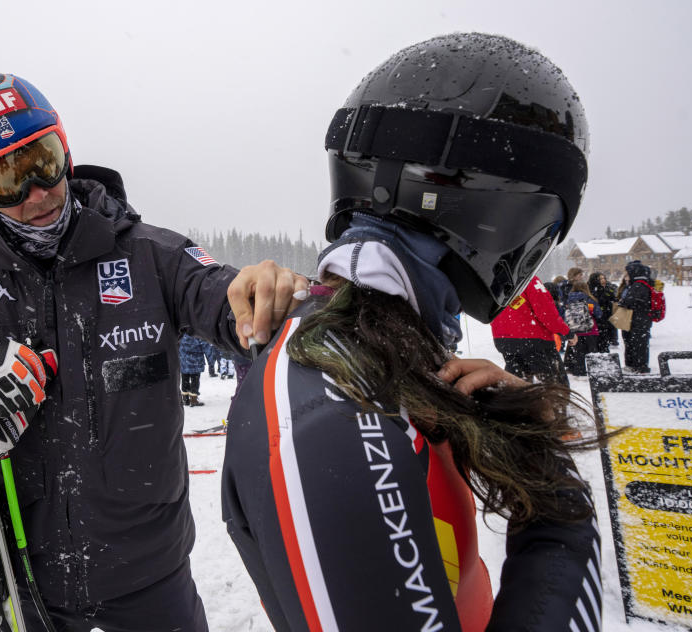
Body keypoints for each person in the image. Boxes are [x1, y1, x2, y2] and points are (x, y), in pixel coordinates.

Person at [0, 71, 306, 632]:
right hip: (19, 579)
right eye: (3, 180)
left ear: (64, 147)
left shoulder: (150, 256)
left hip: (150, 577)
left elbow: (230, 301)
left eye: (42, 161)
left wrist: (270, 299)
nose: (37, 193)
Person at [222, 33, 602, 631]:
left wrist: (510, 436)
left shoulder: (380, 350)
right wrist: (560, 516)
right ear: (502, 214)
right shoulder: (329, 406)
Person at [491, 275, 573, 386]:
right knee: (554, 385)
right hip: (534, 339)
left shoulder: (493, 282)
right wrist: (566, 332)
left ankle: (519, 401)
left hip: (505, 339)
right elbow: (546, 312)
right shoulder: (527, 279)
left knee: (517, 386)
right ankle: (556, 402)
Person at [619, 260, 656, 372]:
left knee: (637, 344)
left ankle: (639, 366)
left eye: (627, 273)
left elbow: (629, 301)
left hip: (638, 320)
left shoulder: (638, 285)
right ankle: (637, 364)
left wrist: (622, 302)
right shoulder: (644, 283)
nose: (626, 276)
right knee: (639, 343)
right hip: (642, 319)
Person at [562, 280, 601, 377]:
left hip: (575, 332)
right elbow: (598, 314)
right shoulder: (589, 300)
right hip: (590, 330)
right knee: (592, 353)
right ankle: (594, 372)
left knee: (578, 353)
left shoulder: (568, 300)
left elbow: (565, 315)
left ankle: (579, 371)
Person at [588, 271, 618, 352]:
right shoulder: (590, 290)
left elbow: (615, 299)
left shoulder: (608, 288)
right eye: (600, 278)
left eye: (604, 278)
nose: (603, 280)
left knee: (604, 341)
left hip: (606, 318)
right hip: (595, 319)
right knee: (597, 342)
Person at [179, 335, 207, 407]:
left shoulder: (181, 334)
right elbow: (205, 346)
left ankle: (185, 399)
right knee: (195, 380)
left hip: (184, 361)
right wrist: (211, 362)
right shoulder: (198, 333)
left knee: (185, 379)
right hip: (196, 361)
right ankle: (193, 399)